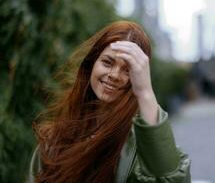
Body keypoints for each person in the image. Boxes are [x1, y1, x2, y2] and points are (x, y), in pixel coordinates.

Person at [28, 21, 191, 183]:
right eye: (107, 62)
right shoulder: (56, 138)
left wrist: (145, 92)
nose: (114, 74)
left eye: (127, 70)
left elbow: (170, 179)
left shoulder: (141, 146)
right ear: (92, 63)